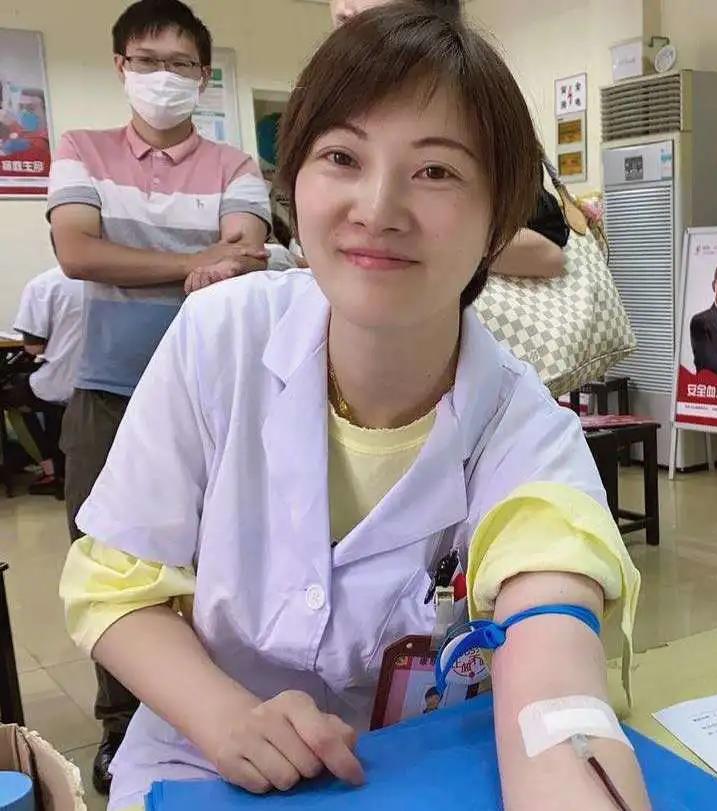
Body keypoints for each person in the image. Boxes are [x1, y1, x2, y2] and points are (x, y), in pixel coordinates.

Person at [58, 7, 646, 811]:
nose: (378, 206)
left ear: (497, 221)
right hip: (201, 765)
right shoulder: (219, 337)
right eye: (341, 156)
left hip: (417, 773)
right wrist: (225, 716)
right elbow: (115, 586)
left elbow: (556, 692)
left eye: (435, 170)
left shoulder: (524, 430)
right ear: (295, 185)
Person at [46, 0, 271, 793]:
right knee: (113, 562)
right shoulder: (83, 149)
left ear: (203, 76)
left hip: (221, 395)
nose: (163, 77)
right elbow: (78, 252)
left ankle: (217, 711)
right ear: (121, 67)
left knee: (219, 562)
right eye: (147, 61)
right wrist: (192, 262)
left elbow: (248, 256)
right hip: (109, 390)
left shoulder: (236, 166)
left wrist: (171, 257)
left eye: (180, 64)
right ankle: (121, 724)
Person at [329, 0, 569, 281]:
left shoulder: (473, 97)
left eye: (434, 172)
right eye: (342, 158)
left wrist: (457, 250)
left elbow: (549, 253)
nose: (344, 8)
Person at [2, 266, 85, 495]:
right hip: (100, 382)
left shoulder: (43, 285)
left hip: (60, 381)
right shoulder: (108, 280)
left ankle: (50, 471)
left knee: (14, 399)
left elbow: (34, 347)